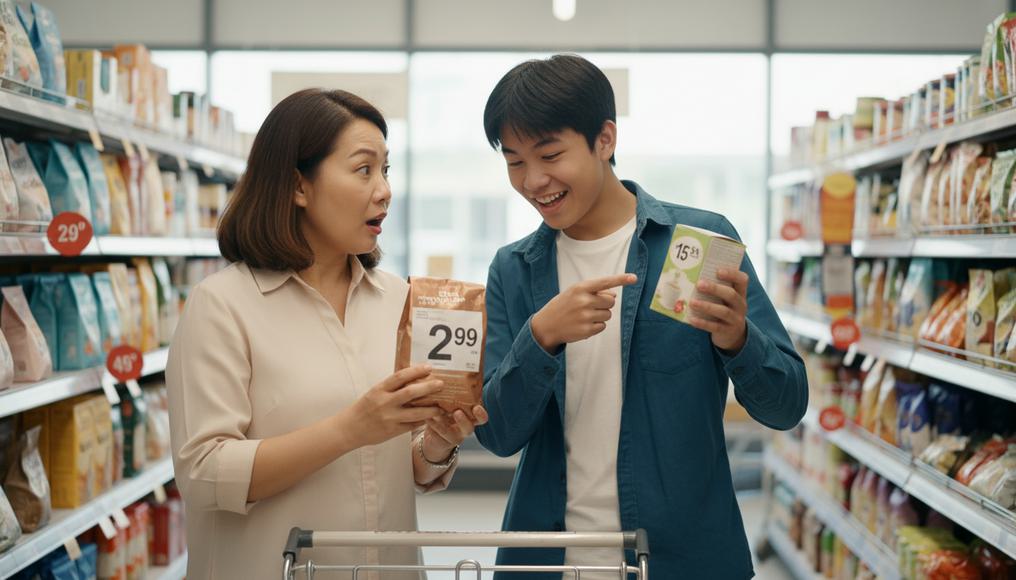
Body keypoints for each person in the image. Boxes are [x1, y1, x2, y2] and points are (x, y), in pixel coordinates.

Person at [474, 54, 808, 579]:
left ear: (604, 139)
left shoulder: (694, 245)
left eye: (550, 154)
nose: (534, 180)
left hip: (681, 559)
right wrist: (541, 337)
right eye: (515, 162)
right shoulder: (513, 270)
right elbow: (497, 435)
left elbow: (786, 404)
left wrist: (739, 339)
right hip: (549, 560)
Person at [166, 88, 487, 580]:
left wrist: (437, 443)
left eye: (386, 170)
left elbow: (403, 467)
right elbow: (206, 473)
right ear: (298, 186)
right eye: (363, 170)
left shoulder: (397, 300)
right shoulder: (223, 306)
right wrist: (349, 429)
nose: (384, 190)